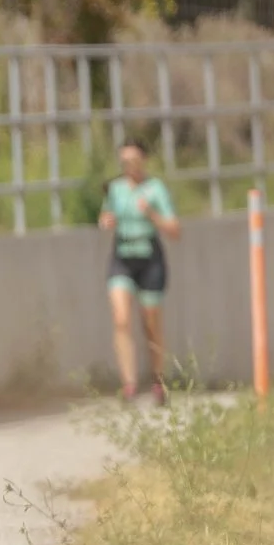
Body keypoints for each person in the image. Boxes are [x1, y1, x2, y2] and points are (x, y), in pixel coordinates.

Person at [99, 138, 180, 405]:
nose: (129, 167)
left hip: (149, 257)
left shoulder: (155, 189)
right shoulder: (115, 189)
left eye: (133, 161)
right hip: (123, 256)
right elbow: (106, 215)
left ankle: (158, 380)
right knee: (121, 319)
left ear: (143, 160)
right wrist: (106, 221)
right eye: (124, 162)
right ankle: (129, 384)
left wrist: (152, 214)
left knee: (150, 323)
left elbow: (174, 230)